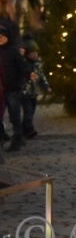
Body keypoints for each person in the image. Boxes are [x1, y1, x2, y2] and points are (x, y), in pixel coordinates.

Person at [0, 19, 25, 150]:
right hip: (1, 89)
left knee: (14, 114)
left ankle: (18, 137)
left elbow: (22, 68)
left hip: (12, 88)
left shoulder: (13, 51)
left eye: (2, 36)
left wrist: (20, 82)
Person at [18, 40, 47, 141]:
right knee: (28, 111)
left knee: (32, 111)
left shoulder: (37, 64)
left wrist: (45, 86)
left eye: (36, 52)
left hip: (34, 92)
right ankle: (28, 130)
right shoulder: (23, 64)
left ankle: (25, 128)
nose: (35, 55)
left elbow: (41, 76)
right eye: (32, 53)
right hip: (25, 92)